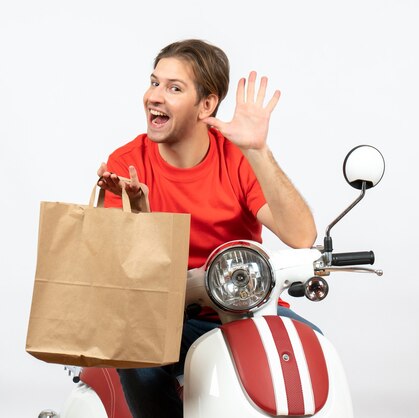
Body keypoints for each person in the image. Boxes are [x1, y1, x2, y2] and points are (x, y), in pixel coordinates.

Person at [96, 39, 318, 418]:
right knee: (137, 363)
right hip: (166, 319)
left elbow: (302, 237)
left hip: (245, 312)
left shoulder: (235, 158)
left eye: (174, 87)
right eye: (154, 82)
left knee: (313, 354)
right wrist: (141, 215)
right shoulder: (127, 163)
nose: (154, 96)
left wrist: (258, 151)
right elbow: (115, 271)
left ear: (207, 105)